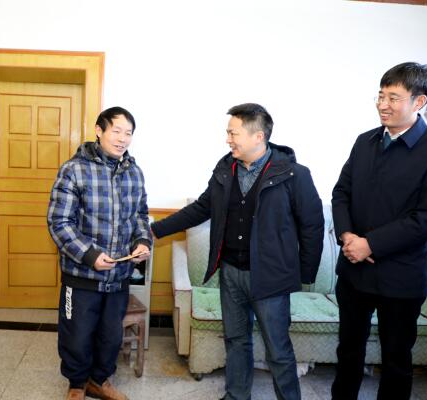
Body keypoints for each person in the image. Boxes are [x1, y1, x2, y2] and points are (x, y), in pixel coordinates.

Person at [151, 103, 324, 400]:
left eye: (233, 133)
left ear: (258, 136)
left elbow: (312, 226)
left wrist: (305, 274)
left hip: (270, 278)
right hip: (230, 273)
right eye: (228, 133)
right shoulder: (225, 170)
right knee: (236, 340)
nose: (228, 139)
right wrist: (156, 230)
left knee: (278, 349)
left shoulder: (294, 175)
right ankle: (236, 396)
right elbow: (201, 208)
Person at [330, 62, 427, 400]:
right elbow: (341, 193)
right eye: (380, 96)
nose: (383, 104)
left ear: (419, 101)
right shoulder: (364, 141)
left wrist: (371, 244)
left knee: (396, 362)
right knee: (348, 352)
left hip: (401, 277)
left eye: (393, 98)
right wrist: (348, 237)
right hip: (354, 271)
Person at [47, 106, 152, 400]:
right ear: (99, 130)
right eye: (116, 131)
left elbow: (141, 216)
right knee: (77, 334)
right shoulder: (73, 169)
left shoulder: (134, 172)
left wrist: (142, 241)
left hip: (118, 275)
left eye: (128, 133)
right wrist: (91, 255)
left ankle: (99, 380)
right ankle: (76, 384)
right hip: (81, 273)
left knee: (110, 335)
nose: (122, 139)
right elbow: (59, 223)